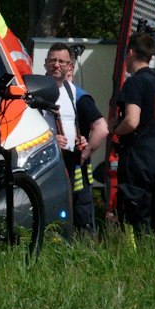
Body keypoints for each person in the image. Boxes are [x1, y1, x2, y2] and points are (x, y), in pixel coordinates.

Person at [110, 30, 155, 234]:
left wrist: (114, 130)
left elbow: (131, 121)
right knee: (154, 212)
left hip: (138, 156)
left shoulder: (135, 82)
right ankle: (150, 254)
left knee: (134, 214)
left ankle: (134, 259)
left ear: (130, 53)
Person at [43, 44, 108, 235]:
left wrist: (84, 145)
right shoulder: (33, 89)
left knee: (74, 215)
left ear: (70, 66)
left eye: (61, 61)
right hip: (44, 164)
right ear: (46, 63)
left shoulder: (74, 93)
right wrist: (50, 139)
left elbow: (99, 127)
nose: (56, 65)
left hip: (70, 165)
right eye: (52, 60)